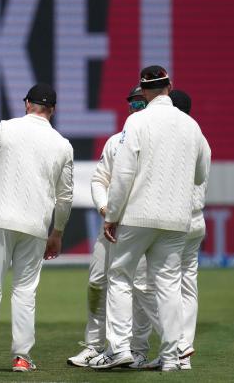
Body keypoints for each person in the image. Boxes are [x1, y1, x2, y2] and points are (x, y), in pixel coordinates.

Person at [90, 66, 211, 372]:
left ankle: (118, 347)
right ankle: (172, 356)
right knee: (169, 286)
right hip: (176, 219)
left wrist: (112, 215)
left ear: (144, 91)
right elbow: (200, 174)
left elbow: (125, 173)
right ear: (169, 86)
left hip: (138, 215)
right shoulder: (191, 126)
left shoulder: (137, 120)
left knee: (119, 276)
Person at [0, 83, 73, 372]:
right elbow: (65, 197)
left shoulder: (5, 128)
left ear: (27, 104)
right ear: (53, 110)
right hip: (36, 225)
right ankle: (21, 357)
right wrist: (57, 232)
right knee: (25, 291)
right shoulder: (62, 144)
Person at [67, 85, 154, 368]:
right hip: (110, 226)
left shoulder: (158, 141)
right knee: (96, 283)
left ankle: (137, 349)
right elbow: (98, 180)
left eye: (142, 102)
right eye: (133, 103)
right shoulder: (116, 141)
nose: (136, 108)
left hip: (140, 226)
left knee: (140, 288)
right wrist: (106, 210)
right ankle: (94, 345)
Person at [137, 89, 208, 371]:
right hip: (196, 220)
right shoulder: (198, 136)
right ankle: (183, 354)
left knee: (146, 284)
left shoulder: (168, 139)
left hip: (171, 220)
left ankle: (177, 343)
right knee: (186, 286)